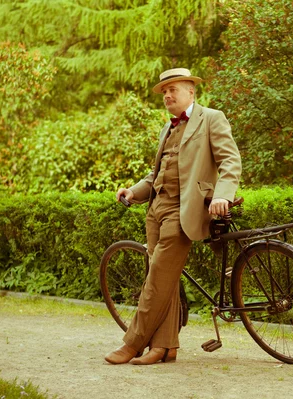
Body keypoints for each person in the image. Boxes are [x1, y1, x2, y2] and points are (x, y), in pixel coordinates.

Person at [104, 68, 242, 365]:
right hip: (157, 209)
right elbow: (157, 173)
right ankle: (165, 347)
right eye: (164, 91)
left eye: (173, 89)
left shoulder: (211, 118)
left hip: (186, 210)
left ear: (191, 91)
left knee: (156, 279)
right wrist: (134, 192)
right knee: (165, 279)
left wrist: (223, 194)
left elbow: (230, 159)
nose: (167, 95)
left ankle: (132, 343)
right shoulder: (166, 129)